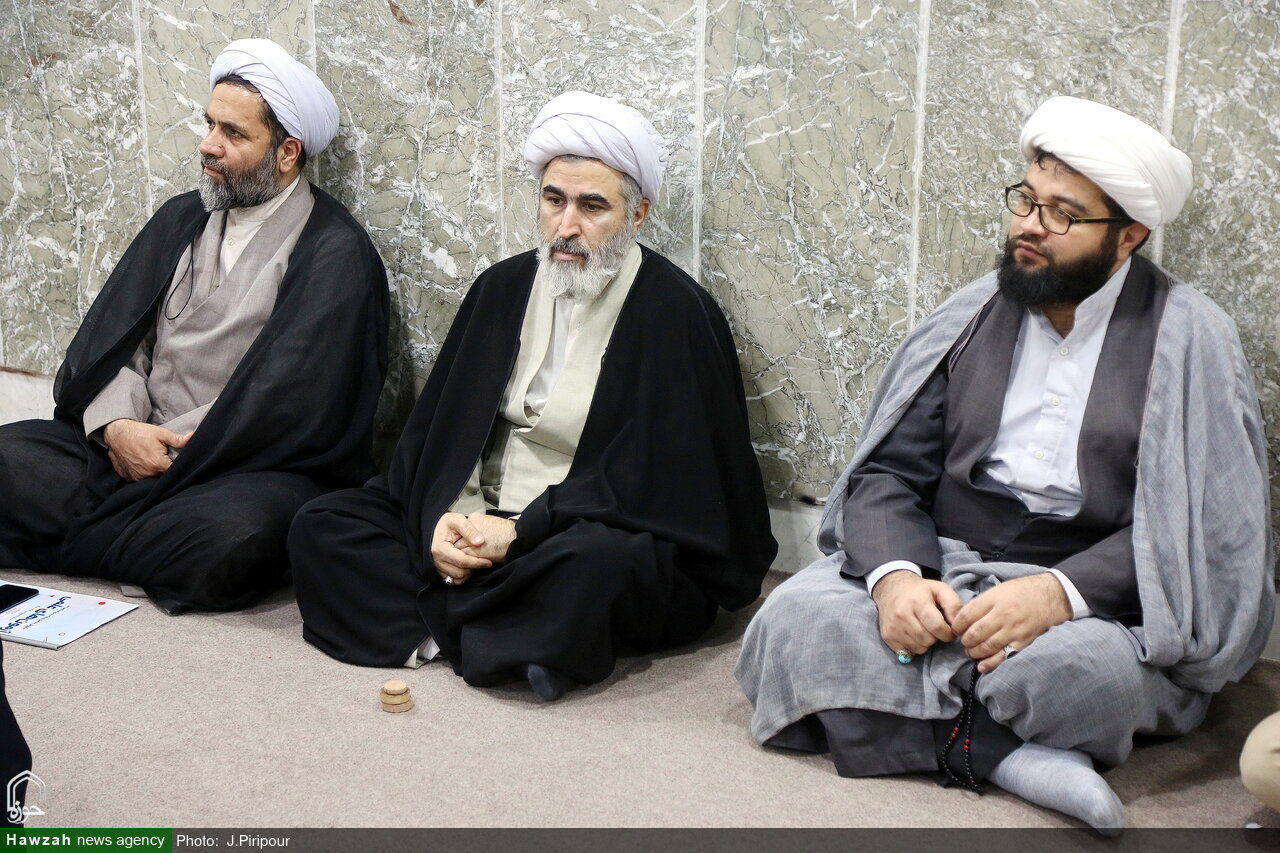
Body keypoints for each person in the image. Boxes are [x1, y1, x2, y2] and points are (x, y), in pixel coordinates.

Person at [736, 96, 1272, 833]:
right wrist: (898, 580)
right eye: (1026, 199)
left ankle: (910, 725)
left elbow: (1198, 533)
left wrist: (1059, 593)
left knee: (1085, 676)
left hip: (1092, 590)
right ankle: (1004, 753)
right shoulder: (971, 315)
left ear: (1128, 236)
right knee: (794, 622)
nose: (1029, 225)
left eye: (1063, 214)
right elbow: (888, 474)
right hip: (947, 558)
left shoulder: (1189, 337)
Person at [290, 91, 776, 700]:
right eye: (554, 200)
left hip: (576, 529)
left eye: (592, 206)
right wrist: (442, 522)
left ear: (638, 214)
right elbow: (436, 437)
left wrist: (522, 533)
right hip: (478, 512)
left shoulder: (675, 312)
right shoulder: (502, 287)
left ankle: (444, 624)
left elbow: (669, 489)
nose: (567, 226)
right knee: (322, 525)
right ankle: (508, 636)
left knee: (597, 568)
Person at [0, 39, 389, 613]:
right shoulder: (183, 216)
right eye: (209, 124)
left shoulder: (333, 251)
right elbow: (118, 345)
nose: (208, 145)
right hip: (127, 445)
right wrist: (118, 428)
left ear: (286, 152)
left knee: (233, 537)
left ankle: (70, 542)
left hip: (238, 465)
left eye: (233, 133)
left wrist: (173, 450)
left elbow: (291, 403)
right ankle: (119, 546)